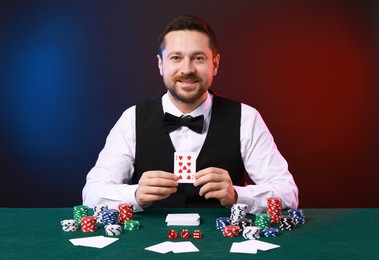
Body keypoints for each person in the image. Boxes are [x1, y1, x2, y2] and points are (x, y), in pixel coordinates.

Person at [82, 15, 299, 214]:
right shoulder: (132, 119)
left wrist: (236, 195)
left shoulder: (246, 118)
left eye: (198, 58)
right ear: (161, 65)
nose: (187, 69)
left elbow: (288, 194)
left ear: (214, 64)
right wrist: (135, 195)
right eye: (176, 57)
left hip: (223, 246)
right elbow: (91, 194)